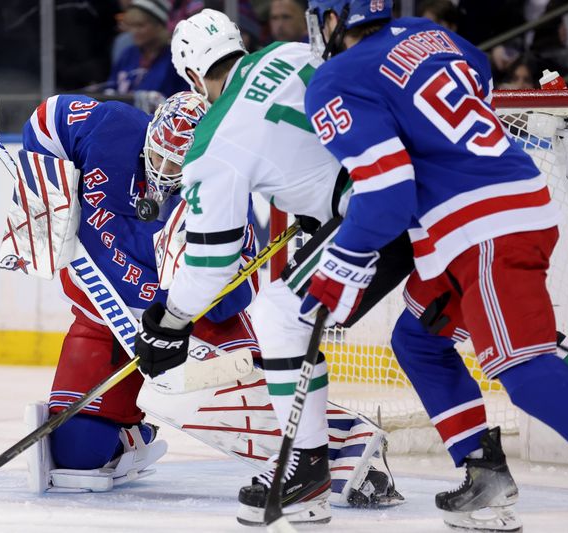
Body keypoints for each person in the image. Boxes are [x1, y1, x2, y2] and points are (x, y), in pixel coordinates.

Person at [301, 0, 568, 530]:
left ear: (333, 19)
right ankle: (482, 471)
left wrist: (336, 268)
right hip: (483, 215)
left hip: (484, 229)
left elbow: (386, 194)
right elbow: (479, 77)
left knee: (523, 371)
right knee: (417, 338)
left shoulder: (335, 77)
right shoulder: (428, 33)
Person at [133, 8, 411, 526]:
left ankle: (304, 471)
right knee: (469, 334)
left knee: (281, 316)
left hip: (379, 213)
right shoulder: (290, 53)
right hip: (422, 181)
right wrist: (318, 208)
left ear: (193, 75)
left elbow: (211, 264)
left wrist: (168, 324)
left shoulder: (212, 143)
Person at [19, 90, 263, 492]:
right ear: (150, 132)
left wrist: (180, 311)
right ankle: (133, 436)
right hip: (104, 317)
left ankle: (308, 452)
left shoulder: (222, 190)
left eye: (177, 163)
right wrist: (44, 196)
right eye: (158, 155)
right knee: (76, 457)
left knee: (262, 420)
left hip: (189, 329)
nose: (164, 171)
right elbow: (47, 120)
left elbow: (238, 295)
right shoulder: (112, 127)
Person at [107, 0, 188, 111]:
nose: (134, 31)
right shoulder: (128, 54)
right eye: (131, 26)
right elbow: (111, 87)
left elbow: (184, 99)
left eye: (140, 25)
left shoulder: (175, 58)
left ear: (159, 25)